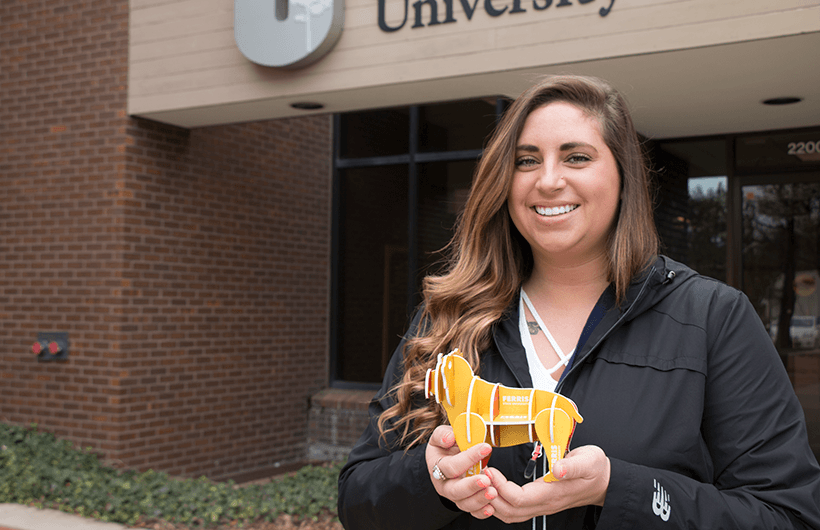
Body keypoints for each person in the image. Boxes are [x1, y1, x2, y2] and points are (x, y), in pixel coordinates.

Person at [337, 75, 820, 529]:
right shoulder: (448, 318)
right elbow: (358, 500)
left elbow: (786, 515)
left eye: (576, 157)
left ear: (623, 176)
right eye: (526, 160)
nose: (547, 180)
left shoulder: (713, 318)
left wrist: (619, 488)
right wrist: (433, 479)